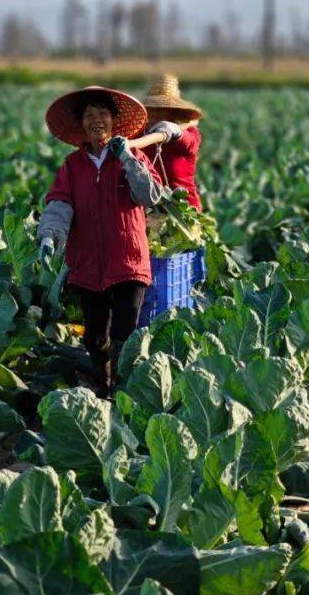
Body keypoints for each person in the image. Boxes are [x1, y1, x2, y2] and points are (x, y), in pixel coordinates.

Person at [36, 86, 168, 392]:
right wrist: (49, 236)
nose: (97, 120)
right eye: (90, 115)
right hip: (88, 265)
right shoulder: (72, 166)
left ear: (113, 121)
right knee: (94, 337)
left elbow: (149, 195)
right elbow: (59, 204)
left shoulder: (132, 156)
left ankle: (123, 391)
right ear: (82, 124)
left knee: (125, 331)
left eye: (103, 114)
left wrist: (128, 159)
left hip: (128, 261)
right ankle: (104, 385)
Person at [140, 74, 204, 210]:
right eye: (151, 107)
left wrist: (175, 130)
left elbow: (190, 144)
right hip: (150, 210)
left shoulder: (189, 133)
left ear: (173, 112)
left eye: (161, 108)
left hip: (184, 210)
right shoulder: (139, 136)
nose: (155, 112)